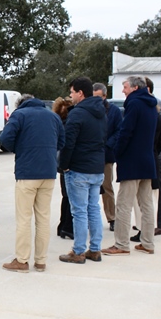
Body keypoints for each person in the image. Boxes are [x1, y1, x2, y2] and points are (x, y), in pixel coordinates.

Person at [0, 94, 65, 272]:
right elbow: (62, 141)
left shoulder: (19, 115)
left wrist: (20, 149)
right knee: (43, 218)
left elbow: (5, 138)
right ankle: (41, 261)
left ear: (20, 104)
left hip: (27, 172)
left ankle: (22, 260)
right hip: (49, 171)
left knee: (24, 219)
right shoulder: (53, 116)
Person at [103, 76, 158, 256]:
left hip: (132, 161)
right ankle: (148, 243)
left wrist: (118, 151)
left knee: (124, 205)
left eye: (125, 87)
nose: (123, 91)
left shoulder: (133, 104)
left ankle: (121, 244)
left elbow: (126, 131)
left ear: (134, 88)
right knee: (146, 204)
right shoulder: (152, 104)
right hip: (147, 160)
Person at [57, 77, 107, 265]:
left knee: (79, 211)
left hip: (79, 169)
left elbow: (68, 143)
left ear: (80, 93)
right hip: (96, 168)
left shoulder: (77, 114)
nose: (70, 96)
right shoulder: (102, 112)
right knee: (93, 208)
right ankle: (94, 249)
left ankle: (78, 251)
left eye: (72, 92)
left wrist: (64, 165)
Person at [93, 82, 122, 231]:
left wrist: (108, 145)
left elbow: (119, 130)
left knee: (107, 187)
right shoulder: (89, 110)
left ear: (105, 96)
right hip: (91, 155)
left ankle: (112, 218)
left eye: (99, 97)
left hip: (106, 155)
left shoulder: (114, 111)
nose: (97, 100)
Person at [146, 76, 161, 235]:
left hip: (158, 155)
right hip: (149, 154)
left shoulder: (159, 105)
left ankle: (159, 224)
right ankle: (147, 222)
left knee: (159, 187)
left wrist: (154, 151)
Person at [52, 96, 74, 240]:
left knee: (65, 196)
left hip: (61, 165)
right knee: (72, 197)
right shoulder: (70, 125)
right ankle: (67, 227)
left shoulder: (57, 125)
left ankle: (62, 226)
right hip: (70, 164)